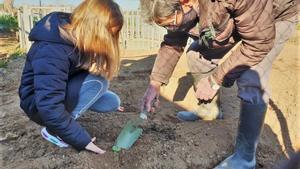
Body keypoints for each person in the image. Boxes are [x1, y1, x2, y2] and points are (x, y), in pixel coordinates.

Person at [139, 0, 297, 168]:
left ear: (185, 3)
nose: (170, 29)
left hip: (274, 16)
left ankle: (245, 158)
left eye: (170, 24)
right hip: (233, 16)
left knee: (251, 76)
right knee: (196, 55)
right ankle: (210, 110)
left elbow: (258, 44)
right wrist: (155, 83)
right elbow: (173, 41)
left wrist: (214, 80)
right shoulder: (186, 10)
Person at [18, 0, 123, 154]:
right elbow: (48, 104)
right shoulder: (53, 50)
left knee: (112, 102)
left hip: (56, 91)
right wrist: (82, 140)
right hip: (38, 104)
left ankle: (64, 120)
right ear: (92, 26)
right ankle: (53, 131)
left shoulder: (76, 37)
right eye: (107, 34)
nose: (108, 40)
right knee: (98, 82)